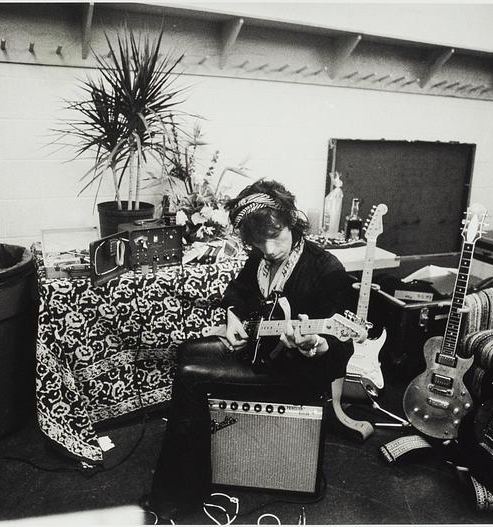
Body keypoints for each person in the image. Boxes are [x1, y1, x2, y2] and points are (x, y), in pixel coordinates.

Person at [142, 179, 362, 521]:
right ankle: (195, 470)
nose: (269, 249)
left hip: (296, 373)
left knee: (190, 376)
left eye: (275, 236)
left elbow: (338, 349)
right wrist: (233, 316)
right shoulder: (260, 259)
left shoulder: (327, 270)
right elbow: (238, 291)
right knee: (187, 352)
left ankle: (179, 497)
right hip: (260, 353)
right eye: (259, 241)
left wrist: (314, 343)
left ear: (292, 222)